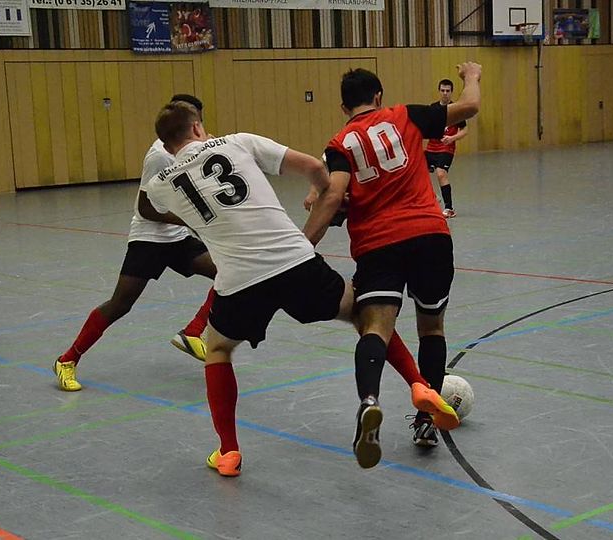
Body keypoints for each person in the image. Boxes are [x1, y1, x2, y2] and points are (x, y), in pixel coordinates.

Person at [146, 101, 454, 476]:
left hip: (240, 281)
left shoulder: (161, 183)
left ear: (167, 146)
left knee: (218, 349)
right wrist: (326, 192)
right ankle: (419, 385)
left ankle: (228, 452)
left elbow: (150, 208)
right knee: (365, 315)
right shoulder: (238, 141)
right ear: (197, 128)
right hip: (294, 261)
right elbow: (313, 167)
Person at [303, 63, 481, 460]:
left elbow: (332, 197)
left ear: (343, 107)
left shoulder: (339, 144)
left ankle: (369, 401)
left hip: (378, 243)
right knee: (431, 327)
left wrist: (301, 245)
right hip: (430, 236)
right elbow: (469, 106)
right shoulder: (407, 115)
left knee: (375, 328)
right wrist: (472, 75)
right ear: (379, 97)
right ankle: (426, 421)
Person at [52, 95, 217, 392]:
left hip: (177, 239)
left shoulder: (192, 148)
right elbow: (145, 209)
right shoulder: (159, 157)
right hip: (149, 240)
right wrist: (188, 221)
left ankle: (193, 332)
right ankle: (67, 360)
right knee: (120, 304)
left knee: (229, 272)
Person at [425, 79, 469, 219]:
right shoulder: (433, 108)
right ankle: (432, 196)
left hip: (446, 149)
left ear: (451, 92)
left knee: (440, 173)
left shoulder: (456, 110)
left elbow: (465, 130)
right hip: (431, 147)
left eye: (447, 91)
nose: (445, 93)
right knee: (415, 170)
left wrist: (452, 138)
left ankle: (449, 208)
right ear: (439, 91)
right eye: (442, 90)